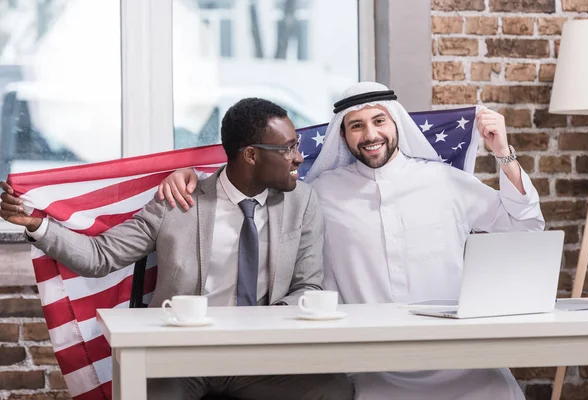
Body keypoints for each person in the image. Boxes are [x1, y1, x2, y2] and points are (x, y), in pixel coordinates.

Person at [155, 82, 544, 400]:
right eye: (356, 125)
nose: (370, 134)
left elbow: (525, 228)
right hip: (372, 367)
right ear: (343, 135)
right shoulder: (316, 194)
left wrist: (503, 153)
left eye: (379, 121)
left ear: (397, 126)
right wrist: (188, 175)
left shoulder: (445, 181)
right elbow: (244, 184)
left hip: (459, 360)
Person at [0, 98, 353, 400]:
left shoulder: (302, 202)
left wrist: (263, 326)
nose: (298, 156)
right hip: (181, 357)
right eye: (288, 147)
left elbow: (308, 287)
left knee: (335, 389)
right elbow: (100, 257)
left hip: (262, 358)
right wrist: (38, 225)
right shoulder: (178, 201)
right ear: (250, 155)